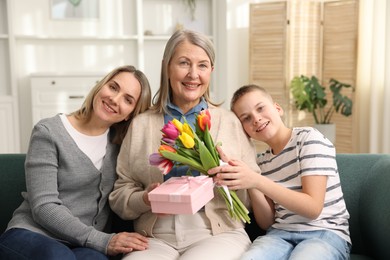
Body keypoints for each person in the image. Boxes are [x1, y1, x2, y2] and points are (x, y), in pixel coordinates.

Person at [108, 30, 260, 260]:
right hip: (154, 236)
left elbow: (253, 191)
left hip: (218, 233)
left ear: (211, 71)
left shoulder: (229, 122)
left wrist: (233, 178)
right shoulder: (141, 125)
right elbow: (120, 194)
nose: (193, 74)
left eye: (202, 65)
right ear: (166, 67)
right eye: (183, 63)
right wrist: (145, 199)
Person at [0, 65, 152, 260]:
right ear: (101, 86)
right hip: (32, 233)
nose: (115, 99)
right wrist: (103, 240)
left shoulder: (121, 147)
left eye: (128, 99)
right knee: (58, 256)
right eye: (113, 87)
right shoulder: (48, 132)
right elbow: (44, 206)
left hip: (81, 245)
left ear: (130, 113)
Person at [209, 84, 351, 260]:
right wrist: (250, 179)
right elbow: (267, 222)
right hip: (279, 235)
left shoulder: (308, 139)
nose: (256, 119)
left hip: (324, 234)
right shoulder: (261, 162)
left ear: (278, 109)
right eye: (246, 118)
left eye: (260, 108)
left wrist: (257, 180)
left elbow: (313, 208)